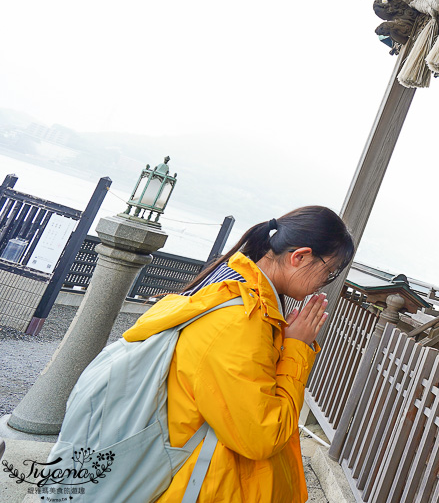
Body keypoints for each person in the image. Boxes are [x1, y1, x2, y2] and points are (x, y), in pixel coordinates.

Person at [122, 205, 355, 502]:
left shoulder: (238, 293)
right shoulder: (240, 319)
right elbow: (262, 436)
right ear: (300, 257)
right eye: (330, 271)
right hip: (204, 487)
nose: (327, 281)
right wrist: (296, 349)